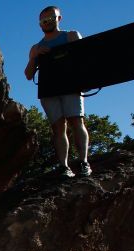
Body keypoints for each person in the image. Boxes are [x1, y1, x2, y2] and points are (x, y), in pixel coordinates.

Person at [24, 5, 92, 178]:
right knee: (58, 128)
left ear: (59, 18)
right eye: (43, 20)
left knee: (77, 121)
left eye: (50, 18)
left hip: (71, 86)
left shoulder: (71, 36)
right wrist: (35, 56)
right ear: (39, 24)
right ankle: (64, 166)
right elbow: (28, 74)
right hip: (49, 90)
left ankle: (84, 161)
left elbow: (85, 59)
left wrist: (86, 80)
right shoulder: (36, 47)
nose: (46, 22)